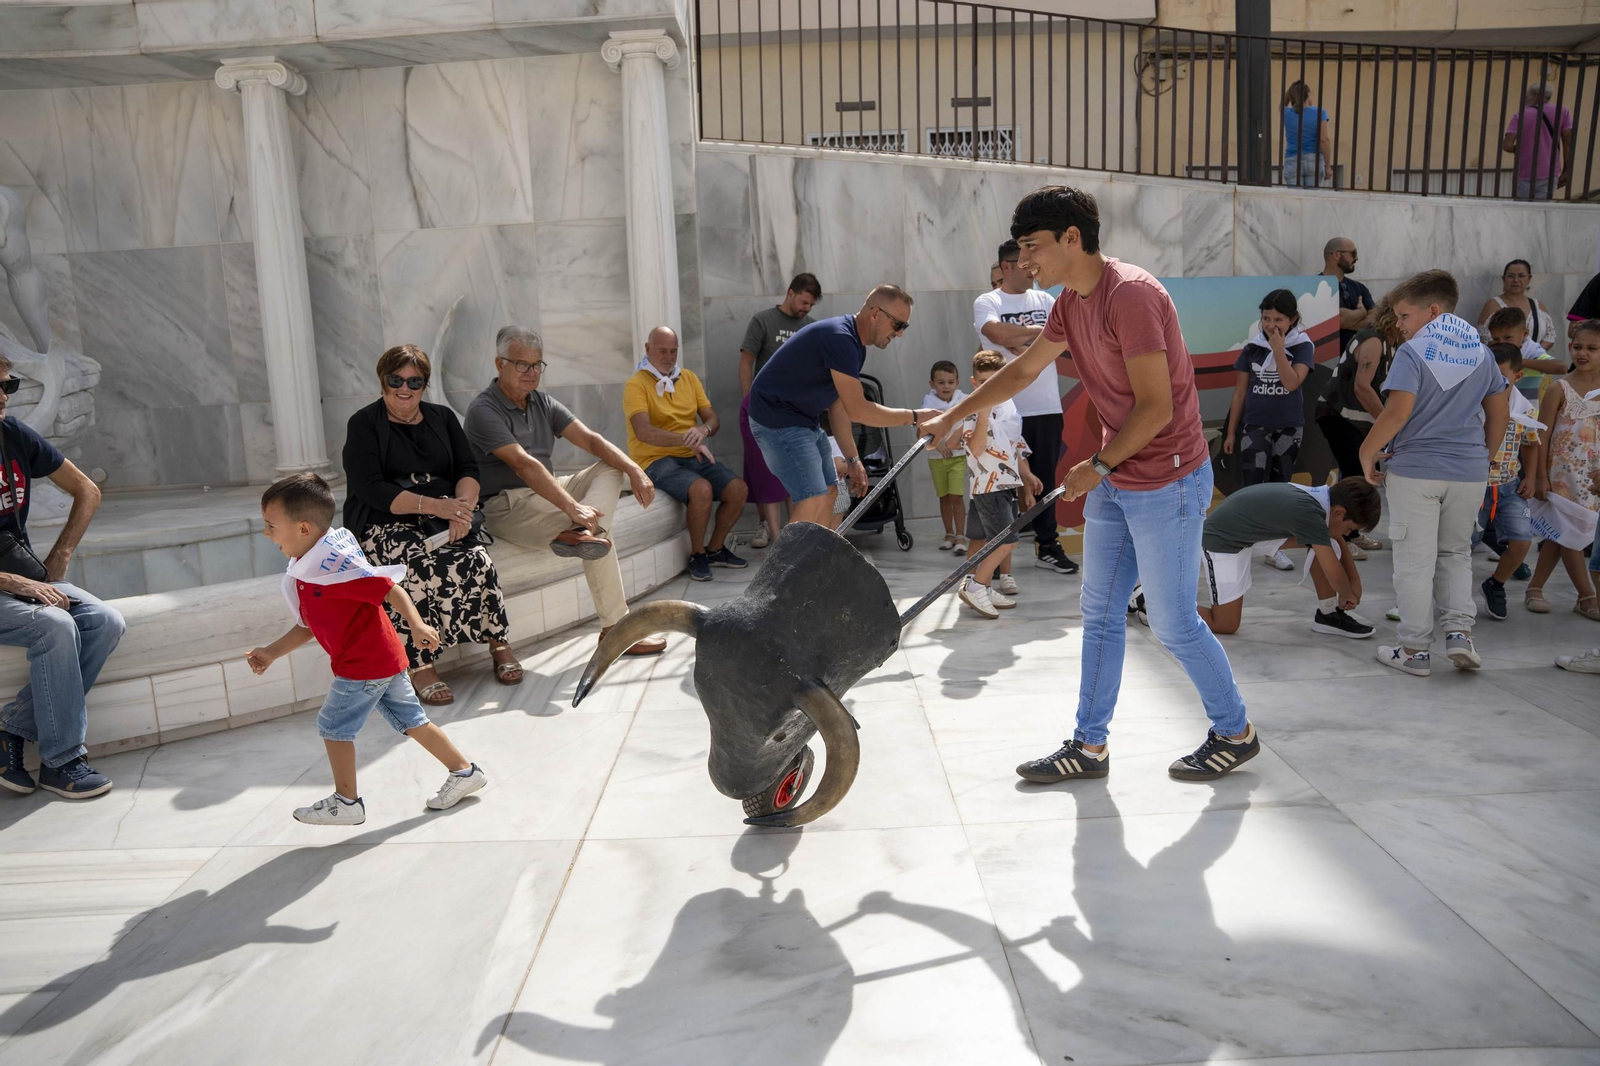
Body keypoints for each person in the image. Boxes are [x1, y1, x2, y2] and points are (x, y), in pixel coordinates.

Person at [923, 185, 1258, 785]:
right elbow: (1023, 369)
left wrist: (1097, 467)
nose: (1025, 262)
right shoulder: (1069, 303)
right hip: (1118, 479)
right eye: (1021, 250)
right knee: (1100, 613)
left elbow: (1155, 408)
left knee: (1174, 622)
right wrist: (953, 414)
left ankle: (1235, 731)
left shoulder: (1130, 295)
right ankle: (1089, 745)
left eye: (1034, 247)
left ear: (1071, 238)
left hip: (1169, 480)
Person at [248, 473, 487, 825]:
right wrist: (270, 652)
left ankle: (346, 802)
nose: (267, 534)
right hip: (382, 660)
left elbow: (388, 588)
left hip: (366, 663)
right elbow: (306, 626)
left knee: (333, 725)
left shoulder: (336, 567)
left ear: (303, 529)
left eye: (271, 526)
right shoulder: (309, 572)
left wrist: (417, 623)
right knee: (413, 721)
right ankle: (466, 773)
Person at [465, 325, 666, 659]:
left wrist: (635, 470)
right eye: (521, 364)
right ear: (500, 365)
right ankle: (615, 628)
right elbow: (524, 464)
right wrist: (574, 507)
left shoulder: (541, 402)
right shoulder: (483, 410)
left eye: (537, 365)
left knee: (610, 466)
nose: (531, 373)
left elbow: (591, 440)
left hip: (546, 492)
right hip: (508, 505)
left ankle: (583, 533)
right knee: (601, 528)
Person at [342, 344, 516, 707]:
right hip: (385, 519)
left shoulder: (442, 418)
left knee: (477, 558)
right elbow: (369, 487)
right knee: (414, 563)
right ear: (382, 380)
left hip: (443, 515)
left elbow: (468, 469)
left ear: (425, 385)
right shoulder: (363, 423)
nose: (404, 389)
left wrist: (463, 511)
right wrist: (437, 505)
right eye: (395, 380)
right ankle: (421, 665)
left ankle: (498, 642)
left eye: (414, 381)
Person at [1359, 270, 1510, 677]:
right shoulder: (1481, 353)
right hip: (1469, 472)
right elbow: (1501, 412)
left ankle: (1413, 651)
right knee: (1456, 554)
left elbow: (1398, 411)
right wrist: (1484, 458)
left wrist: (1367, 450)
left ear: (1433, 310)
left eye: (1405, 316)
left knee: (1414, 561)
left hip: (1417, 472)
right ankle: (1459, 634)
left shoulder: (1413, 353)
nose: (1401, 325)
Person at [0, 358, 123, 799]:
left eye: (7, 385)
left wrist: (61, 552)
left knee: (105, 620)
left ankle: (10, 729)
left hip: (23, 579)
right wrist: (16, 584)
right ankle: (62, 761)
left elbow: (87, 489)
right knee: (54, 626)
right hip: (11, 585)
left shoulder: (12, 435)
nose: (2, 396)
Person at [747, 285, 935, 529]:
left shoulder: (854, 345)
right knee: (813, 498)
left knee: (834, 495)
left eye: (904, 327)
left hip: (803, 421)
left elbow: (840, 409)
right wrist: (915, 416)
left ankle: (819, 563)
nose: (900, 333)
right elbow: (859, 410)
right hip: (777, 421)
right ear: (875, 313)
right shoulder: (840, 338)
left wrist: (853, 459)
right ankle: (782, 568)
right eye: (898, 324)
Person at [974, 239, 1079, 575]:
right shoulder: (987, 300)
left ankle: (1047, 545)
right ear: (1006, 266)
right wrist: (1041, 335)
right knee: (1001, 482)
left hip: (1045, 406)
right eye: (1023, 260)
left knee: (1045, 479)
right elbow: (995, 332)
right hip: (1002, 409)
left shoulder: (1046, 299)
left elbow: (1065, 337)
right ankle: (998, 559)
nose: (1031, 265)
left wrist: (1027, 340)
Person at [625, 326, 748, 583]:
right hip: (655, 460)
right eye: (662, 351)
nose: (669, 357)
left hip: (692, 455)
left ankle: (715, 549)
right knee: (701, 489)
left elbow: (713, 419)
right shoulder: (636, 384)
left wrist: (702, 430)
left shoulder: (689, 378)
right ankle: (697, 554)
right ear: (647, 350)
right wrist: (686, 438)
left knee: (738, 489)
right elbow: (643, 432)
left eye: (673, 351)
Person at [1198, 477, 1381, 639]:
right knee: (1224, 624)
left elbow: (1337, 539)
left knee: (1326, 542)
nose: (1348, 533)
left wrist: (1354, 587)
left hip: (1247, 536)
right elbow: (1334, 575)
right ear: (1339, 513)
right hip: (1222, 542)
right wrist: (1346, 595)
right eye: (1350, 528)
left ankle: (1329, 614)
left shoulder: (1318, 499)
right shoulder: (1309, 512)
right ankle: (1170, 612)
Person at [956, 350, 1042, 619]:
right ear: (974, 383)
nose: (990, 389)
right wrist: (982, 414)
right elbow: (977, 448)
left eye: (995, 382)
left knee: (992, 539)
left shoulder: (1009, 408)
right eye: (983, 384)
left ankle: (982, 585)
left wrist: (1026, 477)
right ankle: (977, 585)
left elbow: (1013, 447)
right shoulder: (972, 410)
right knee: (1007, 541)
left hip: (1005, 485)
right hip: (988, 486)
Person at [739, 274, 820, 549]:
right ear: (790, 293)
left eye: (810, 305)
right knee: (765, 473)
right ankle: (772, 533)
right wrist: (748, 400)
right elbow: (746, 361)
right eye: (803, 301)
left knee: (794, 474)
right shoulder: (763, 321)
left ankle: (793, 533)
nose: (806, 308)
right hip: (762, 410)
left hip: (795, 412)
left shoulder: (810, 327)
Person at [1526, 319, 1600, 620]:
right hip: (1561, 475)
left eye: (1592, 348)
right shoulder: (1560, 387)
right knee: (1569, 534)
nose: (1583, 353)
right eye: (1578, 347)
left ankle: (1535, 588)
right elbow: (1542, 435)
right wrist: (1540, 476)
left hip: (1593, 478)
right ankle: (1586, 596)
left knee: (1560, 534)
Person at [1314, 298, 1397, 557]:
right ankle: (1340, 538)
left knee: (1360, 476)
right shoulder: (1374, 340)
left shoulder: (1394, 344)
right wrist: (1388, 422)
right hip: (1338, 414)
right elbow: (1362, 387)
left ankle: (1351, 533)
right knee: (1354, 475)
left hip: (1356, 419)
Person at [1476, 343, 1543, 621]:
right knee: (1459, 545)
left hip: (1509, 485)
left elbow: (1530, 443)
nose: (1495, 382)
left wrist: (1531, 476)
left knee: (1521, 542)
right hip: (1474, 486)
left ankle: (1495, 584)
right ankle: (1428, 595)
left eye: (1502, 377)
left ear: (1518, 376)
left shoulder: (1524, 410)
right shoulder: (1473, 403)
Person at [1224, 288, 1317, 487]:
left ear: (1293, 319)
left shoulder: (1302, 346)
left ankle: (1277, 518)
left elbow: (1292, 383)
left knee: (1280, 482)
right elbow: (1240, 392)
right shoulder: (1253, 347)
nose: (1271, 325)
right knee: (1252, 482)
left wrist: (1278, 350)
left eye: (1278, 320)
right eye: (1266, 318)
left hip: (1288, 427)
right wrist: (1231, 433)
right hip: (1255, 424)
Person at [923, 360, 969, 553]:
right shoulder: (927, 403)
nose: (946, 386)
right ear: (932, 384)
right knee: (943, 497)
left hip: (958, 456)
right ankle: (948, 534)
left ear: (957, 382)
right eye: (941, 382)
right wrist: (939, 445)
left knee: (956, 496)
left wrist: (958, 443)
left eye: (950, 382)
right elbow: (924, 428)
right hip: (936, 458)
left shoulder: (964, 399)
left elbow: (969, 423)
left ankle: (960, 536)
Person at [1502, 82, 1574, 201]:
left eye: (1527, 95)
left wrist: (1517, 149)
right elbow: (1568, 144)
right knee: (1541, 211)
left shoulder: (1520, 115)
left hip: (1525, 173)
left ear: (1535, 95)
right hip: (1550, 173)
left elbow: (1507, 145)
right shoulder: (1563, 112)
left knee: (1522, 212)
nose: (1525, 98)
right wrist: (1566, 171)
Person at [1319, 237, 1374, 356]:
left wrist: (1342, 322)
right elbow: (1334, 320)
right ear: (1336, 255)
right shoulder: (1314, 287)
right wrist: (1361, 313)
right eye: (1353, 253)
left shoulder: (1359, 288)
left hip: (1354, 362)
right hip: (1323, 363)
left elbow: (1376, 321)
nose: (1357, 258)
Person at [1282, 81, 1332, 188]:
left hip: (1292, 160)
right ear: (1308, 94)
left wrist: (1291, 94)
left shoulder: (1286, 113)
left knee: (1295, 201)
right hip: (1313, 160)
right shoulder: (1320, 112)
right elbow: (1323, 140)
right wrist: (1328, 166)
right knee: (1311, 200)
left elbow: (1282, 104)